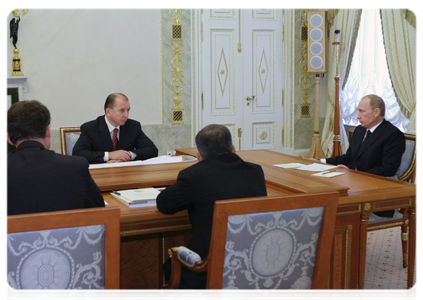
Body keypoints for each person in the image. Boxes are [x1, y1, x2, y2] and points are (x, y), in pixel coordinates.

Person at [156, 124, 267, 291]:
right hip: (252, 266)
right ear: (234, 148)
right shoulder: (255, 172)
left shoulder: (193, 175)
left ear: (199, 156)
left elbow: (164, 204)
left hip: (207, 271)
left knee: (170, 265)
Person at [6, 100, 105, 216]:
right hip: (68, 234)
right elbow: (99, 211)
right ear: (48, 131)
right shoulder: (76, 166)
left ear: (8, 138)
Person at [313, 94, 405, 217]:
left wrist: (353, 175)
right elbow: (348, 158)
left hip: (375, 190)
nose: (358, 116)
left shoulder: (392, 135)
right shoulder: (360, 130)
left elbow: (388, 169)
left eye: (362, 111)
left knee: (336, 207)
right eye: (358, 111)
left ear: (376, 112)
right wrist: (320, 161)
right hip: (353, 184)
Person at [72, 93, 158, 164]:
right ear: (108, 111)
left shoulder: (133, 126)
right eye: (122, 111)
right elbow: (78, 154)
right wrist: (109, 155)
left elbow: (152, 150)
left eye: (128, 110)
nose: (126, 115)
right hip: (101, 177)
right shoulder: (90, 128)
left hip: (127, 175)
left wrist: (128, 156)